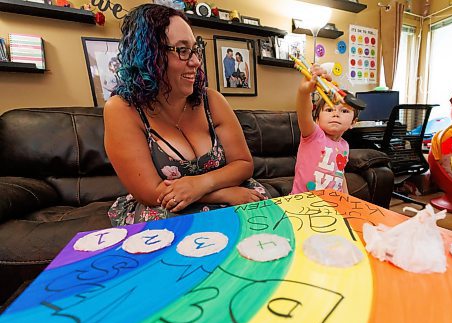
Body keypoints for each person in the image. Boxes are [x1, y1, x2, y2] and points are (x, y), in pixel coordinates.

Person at [104, 4, 268, 226]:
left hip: (228, 193)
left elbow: (243, 163)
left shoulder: (212, 100)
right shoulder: (122, 110)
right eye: (182, 50)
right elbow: (151, 193)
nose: (196, 62)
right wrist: (222, 194)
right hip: (169, 208)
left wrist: (201, 183)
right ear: (149, 55)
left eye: (195, 50)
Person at [291, 65, 363, 194]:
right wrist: (304, 92)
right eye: (329, 109)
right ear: (317, 120)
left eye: (344, 111)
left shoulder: (344, 145)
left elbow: (340, 175)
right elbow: (304, 112)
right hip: (302, 204)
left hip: (332, 204)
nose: (336, 114)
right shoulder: (313, 135)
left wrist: (347, 200)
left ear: (353, 122)